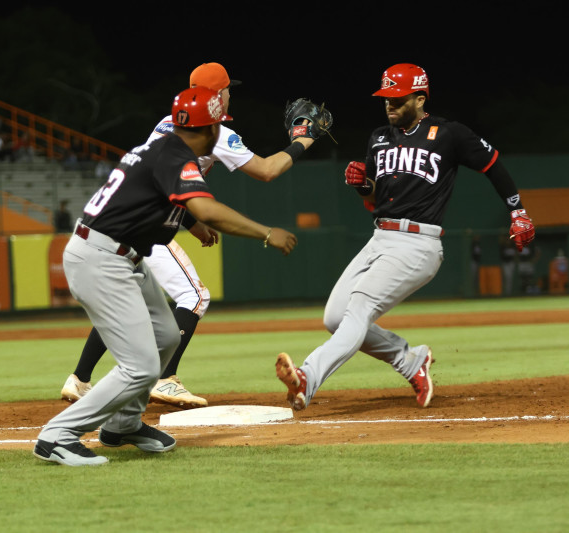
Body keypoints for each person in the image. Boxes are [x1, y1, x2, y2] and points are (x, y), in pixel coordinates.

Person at [35, 86, 297, 466]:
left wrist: (188, 223)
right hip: (100, 257)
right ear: (208, 131)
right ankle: (57, 435)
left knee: (167, 335)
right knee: (139, 367)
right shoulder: (174, 154)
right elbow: (207, 209)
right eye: (217, 129)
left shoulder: (164, 147)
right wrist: (266, 232)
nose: (218, 135)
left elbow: (157, 199)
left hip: (123, 256)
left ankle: (123, 425)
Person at [275, 63, 536, 412]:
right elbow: (374, 199)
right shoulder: (380, 137)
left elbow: (493, 164)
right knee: (335, 317)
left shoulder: (449, 134)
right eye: (386, 98)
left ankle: (307, 377)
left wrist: (517, 212)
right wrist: (362, 186)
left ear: (419, 97)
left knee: (360, 307)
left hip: (418, 243)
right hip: (381, 236)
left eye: (397, 98)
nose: (389, 105)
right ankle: (412, 362)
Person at [60, 62, 318, 409]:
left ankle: (80, 378)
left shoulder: (167, 124)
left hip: (129, 223)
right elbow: (267, 171)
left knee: (132, 301)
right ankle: (166, 378)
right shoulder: (218, 134)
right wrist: (305, 139)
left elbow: (162, 185)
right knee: (194, 295)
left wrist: (191, 224)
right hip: (138, 231)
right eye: (227, 89)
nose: (230, 95)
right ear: (217, 95)